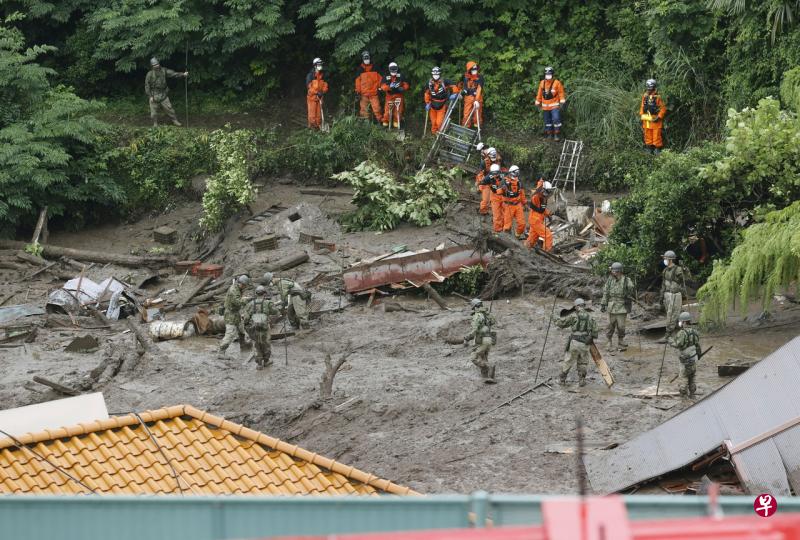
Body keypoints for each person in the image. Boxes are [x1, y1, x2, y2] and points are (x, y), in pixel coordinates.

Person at [554, 298, 598, 387]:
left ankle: (562, 380)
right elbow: (595, 332)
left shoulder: (574, 316)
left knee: (568, 360)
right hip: (585, 343)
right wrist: (590, 337)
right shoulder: (591, 316)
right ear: (583, 306)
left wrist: (553, 317)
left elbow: (562, 324)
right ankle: (582, 380)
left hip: (574, 342)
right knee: (583, 362)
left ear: (577, 306)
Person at [242, 286, 280, 369]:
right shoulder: (268, 303)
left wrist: (247, 326)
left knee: (256, 345)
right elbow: (277, 313)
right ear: (264, 293)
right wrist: (271, 319)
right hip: (265, 327)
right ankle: (266, 361)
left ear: (256, 294)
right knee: (266, 344)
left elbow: (246, 318)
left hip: (254, 328)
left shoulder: (250, 304)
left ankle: (259, 364)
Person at [601, 262, 635, 351]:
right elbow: (606, 292)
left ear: (618, 271)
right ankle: (609, 341)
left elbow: (631, 290)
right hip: (611, 305)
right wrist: (603, 303)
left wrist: (630, 285)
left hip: (622, 306)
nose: (612, 272)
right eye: (612, 271)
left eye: (614, 271)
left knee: (621, 326)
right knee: (610, 325)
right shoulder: (610, 280)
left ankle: (621, 340)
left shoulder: (626, 280)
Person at [145, 57, 188, 127]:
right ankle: (155, 123)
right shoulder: (149, 74)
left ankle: (175, 121)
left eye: (157, 64)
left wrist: (183, 74)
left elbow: (173, 74)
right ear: (152, 66)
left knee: (170, 109)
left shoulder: (164, 70)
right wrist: (150, 96)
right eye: (154, 65)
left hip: (163, 94)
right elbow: (147, 86)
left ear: (159, 63)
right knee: (153, 112)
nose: (156, 66)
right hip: (154, 95)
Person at [668, 311, 701, 398]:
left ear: (684, 322)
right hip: (694, 357)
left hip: (685, 359)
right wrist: (699, 355)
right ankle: (692, 394)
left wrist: (670, 340)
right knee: (692, 376)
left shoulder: (682, 333)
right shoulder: (695, 331)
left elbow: (678, 344)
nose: (680, 323)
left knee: (684, 376)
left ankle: (683, 395)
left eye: (681, 321)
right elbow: (698, 345)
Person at [462, 298, 496, 383]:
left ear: (475, 307)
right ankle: (488, 377)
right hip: (489, 339)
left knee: (474, 357)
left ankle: (489, 366)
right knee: (483, 357)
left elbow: (475, 330)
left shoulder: (477, 315)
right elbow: (493, 322)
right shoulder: (487, 314)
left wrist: (467, 337)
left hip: (481, 340)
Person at [218, 275, 251, 359]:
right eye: (244, 285)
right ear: (241, 283)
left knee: (241, 330)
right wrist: (246, 299)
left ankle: (243, 345)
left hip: (236, 313)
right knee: (230, 334)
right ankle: (221, 352)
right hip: (230, 315)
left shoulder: (238, 288)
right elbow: (238, 302)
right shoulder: (233, 290)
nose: (245, 287)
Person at [660, 250, 688, 340]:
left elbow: (685, 279)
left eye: (665, 258)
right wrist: (661, 296)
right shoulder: (665, 270)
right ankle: (675, 332)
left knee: (674, 314)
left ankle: (668, 334)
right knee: (670, 315)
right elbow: (663, 284)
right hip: (667, 295)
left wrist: (685, 270)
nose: (664, 260)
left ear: (670, 260)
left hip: (675, 295)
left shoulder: (678, 269)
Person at [424, 66, 458, 134]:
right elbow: (426, 93)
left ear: (439, 74)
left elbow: (453, 85)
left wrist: (455, 93)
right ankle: (434, 133)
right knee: (433, 122)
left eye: (437, 74)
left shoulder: (444, 81)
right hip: (432, 105)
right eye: (434, 74)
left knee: (439, 122)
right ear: (432, 74)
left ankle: (440, 133)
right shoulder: (429, 83)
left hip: (441, 105)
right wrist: (427, 103)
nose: (435, 76)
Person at [535, 67, 566, 140]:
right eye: (547, 74)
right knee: (547, 121)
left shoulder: (557, 83)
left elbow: (561, 92)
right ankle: (549, 134)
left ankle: (557, 134)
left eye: (549, 74)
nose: (548, 76)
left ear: (552, 74)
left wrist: (562, 100)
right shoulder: (542, 83)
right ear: (545, 75)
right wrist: (537, 101)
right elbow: (539, 93)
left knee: (556, 119)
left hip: (554, 105)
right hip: (545, 106)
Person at [474, 145, 502, 216]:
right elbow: (480, 174)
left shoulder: (498, 160)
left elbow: (503, 170)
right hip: (486, 181)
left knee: (496, 198)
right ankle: (483, 211)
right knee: (485, 199)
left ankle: (495, 212)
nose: (493, 159)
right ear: (488, 155)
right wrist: (481, 182)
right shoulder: (484, 162)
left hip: (495, 181)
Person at [640, 79, 666, 154]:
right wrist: (642, 115)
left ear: (654, 87)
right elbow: (642, 107)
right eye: (647, 87)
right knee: (647, 134)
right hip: (646, 119)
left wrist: (659, 117)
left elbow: (663, 109)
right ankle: (649, 148)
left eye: (650, 87)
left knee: (656, 135)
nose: (648, 89)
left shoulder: (658, 97)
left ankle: (657, 149)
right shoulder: (644, 96)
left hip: (655, 120)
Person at [526, 181, 554, 251]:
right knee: (548, 236)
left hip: (537, 220)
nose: (547, 194)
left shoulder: (543, 198)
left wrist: (548, 215)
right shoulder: (536, 196)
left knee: (532, 238)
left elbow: (542, 209)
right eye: (547, 192)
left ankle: (524, 249)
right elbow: (539, 208)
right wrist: (540, 187)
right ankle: (546, 253)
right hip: (535, 220)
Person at [355, 51, 382, 122]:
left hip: (374, 94)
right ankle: (365, 124)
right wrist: (358, 91)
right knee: (363, 109)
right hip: (364, 94)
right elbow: (358, 82)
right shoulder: (360, 69)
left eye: (367, 57)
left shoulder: (376, 68)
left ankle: (379, 123)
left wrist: (380, 88)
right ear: (362, 59)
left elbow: (380, 79)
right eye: (365, 58)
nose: (366, 59)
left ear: (370, 58)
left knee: (377, 109)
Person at [381, 62, 409, 128]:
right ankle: (386, 121)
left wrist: (403, 88)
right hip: (389, 95)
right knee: (387, 110)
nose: (394, 72)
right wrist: (389, 87)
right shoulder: (386, 76)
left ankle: (396, 121)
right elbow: (382, 86)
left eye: (395, 70)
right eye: (392, 70)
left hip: (399, 95)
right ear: (389, 69)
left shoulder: (401, 75)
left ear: (397, 69)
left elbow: (406, 84)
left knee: (398, 110)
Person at [502, 165, 526, 239]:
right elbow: (498, 191)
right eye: (516, 172)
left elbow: (522, 193)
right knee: (507, 226)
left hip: (518, 205)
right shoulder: (504, 181)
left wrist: (524, 203)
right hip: (508, 205)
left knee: (522, 224)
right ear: (512, 172)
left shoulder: (519, 182)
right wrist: (503, 189)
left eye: (518, 172)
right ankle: (505, 240)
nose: (517, 174)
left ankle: (517, 236)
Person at [459, 61, 484, 128]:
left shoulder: (480, 77)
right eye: (473, 69)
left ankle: (477, 128)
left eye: (476, 69)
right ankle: (465, 127)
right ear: (469, 70)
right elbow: (462, 86)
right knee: (466, 113)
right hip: (468, 97)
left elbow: (479, 89)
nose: (475, 70)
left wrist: (476, 100)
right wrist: (461, 94)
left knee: (477, 114)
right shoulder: (466, 77)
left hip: (477, 97)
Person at [306, 58, 329, 130]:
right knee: (312, 115)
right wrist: (317, 92)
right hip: (312, 98)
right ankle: (312, 128)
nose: (320, 66)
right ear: (315, 65)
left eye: (321, 64)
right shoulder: (310, 75)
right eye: (319, 64)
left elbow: (325, 85)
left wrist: (322, 92)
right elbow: (309, 88)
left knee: (319, 115)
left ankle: (318, 127)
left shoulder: (322, 75)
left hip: (320, 97)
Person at [487, 163, 506, 233]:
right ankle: (497, 230)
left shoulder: (504, 176)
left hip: (503, 196)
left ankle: (504, 227)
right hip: (494, 197)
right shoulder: (489, 177)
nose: (495, 175)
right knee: (497, 214)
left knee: (505, 213)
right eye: (493, 173)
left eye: (496, 173)